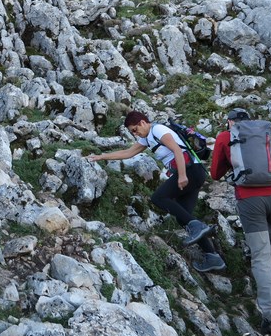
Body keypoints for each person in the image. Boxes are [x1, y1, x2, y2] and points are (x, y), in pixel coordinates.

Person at [210, 108, 271, 336]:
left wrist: (231, 161)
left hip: (250, 201)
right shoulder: (268, 135)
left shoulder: (226, 137)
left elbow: (215, 173)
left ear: (229, 122)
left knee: (261, 256)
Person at [88, 110, 226, 273]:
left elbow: (176, 150)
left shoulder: (158, 130)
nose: (135, 133)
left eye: (134, 129)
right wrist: (102, 157)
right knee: (184, 216)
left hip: (190, 171)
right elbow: (128, 153)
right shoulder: (147, 137)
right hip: (193, 173)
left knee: (158, 197)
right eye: (132, 132)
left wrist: (182, 175)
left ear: (142, 123)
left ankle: (198, 227)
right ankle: (213, 257)